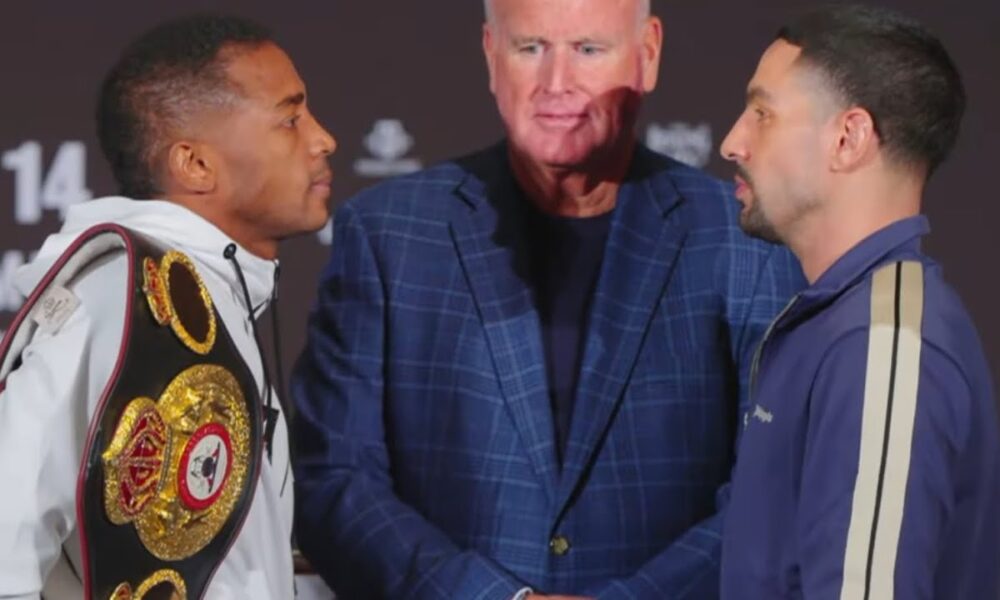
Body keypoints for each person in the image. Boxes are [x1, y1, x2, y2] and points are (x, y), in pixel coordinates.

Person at [292, 0, 802, 598]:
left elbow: (771, 490)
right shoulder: (388, 234)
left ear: (649, 54)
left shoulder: (744, 242)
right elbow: (335, 478)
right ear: (490, 54)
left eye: (588, 50)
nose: (555, 83)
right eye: (529, 48)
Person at [0, 14, 335, 599]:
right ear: (196, 164)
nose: (322, 138)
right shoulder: (116, 297)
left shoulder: (207, 293)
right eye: (289, 118)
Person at [717, 5, 1000, 599]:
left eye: (763, 113)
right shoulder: (842, 324)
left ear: (848, 138)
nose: (732, 142)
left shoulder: (883, 343)